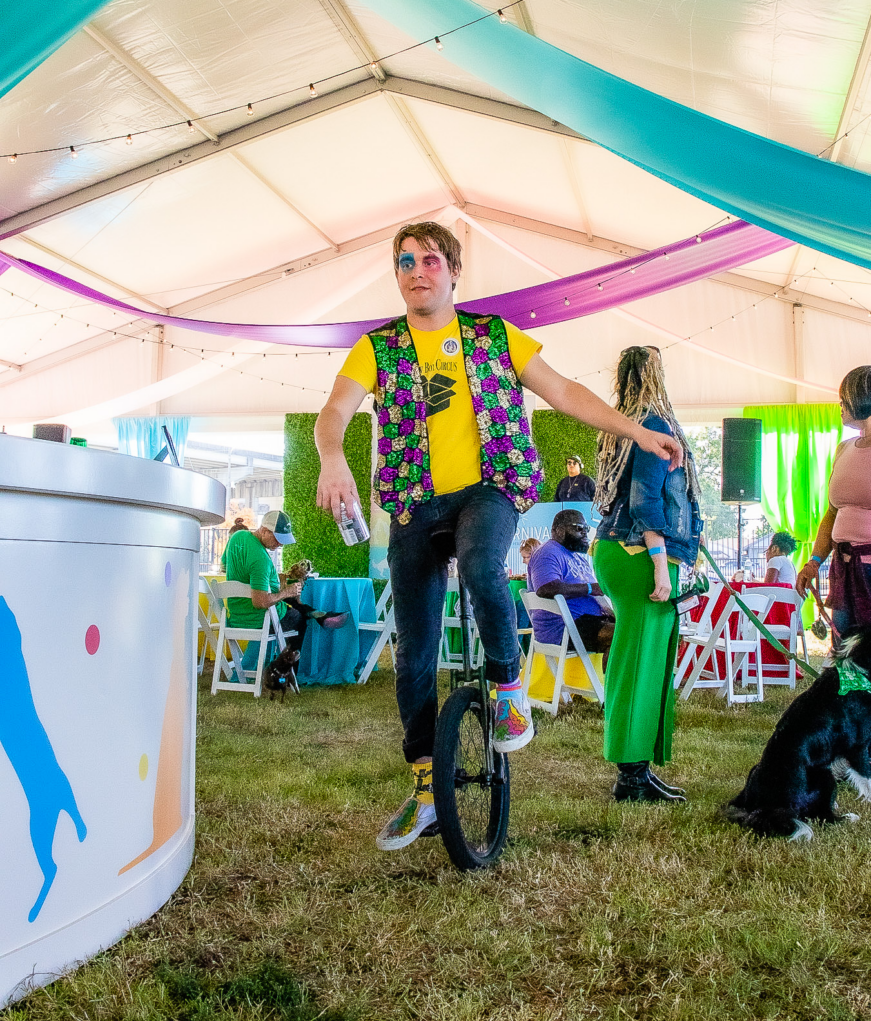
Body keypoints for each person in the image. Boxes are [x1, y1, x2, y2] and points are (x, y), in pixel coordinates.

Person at [314, 222, 682, 851]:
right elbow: (335, 413)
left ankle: (508, 684)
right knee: (415, 650)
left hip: (490, 487)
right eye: (404, 262)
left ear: (453, 271)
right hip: (412, 501)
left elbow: (563, 391)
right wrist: (331, 457)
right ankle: (428, 787)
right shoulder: (377, 348)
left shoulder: (493, 337)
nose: (416, 270)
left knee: (486, 567)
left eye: (429, 260)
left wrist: (637, 432)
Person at [592, 346, 701, 804]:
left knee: (644, 659)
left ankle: (637, 769)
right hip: (640, 552)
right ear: (654, 375)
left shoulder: (621, 426)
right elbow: (644, 501)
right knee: (639, 662)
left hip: (621, 549)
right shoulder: (652, 426)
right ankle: (630, 777)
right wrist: (660, 562)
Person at [796, 366, 871, 640]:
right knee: (843, 651)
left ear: (861, 397)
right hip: (844, 567)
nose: (840, 406)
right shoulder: (844, 448)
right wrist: (814, 561)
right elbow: (832, 512)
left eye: (844, 398)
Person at [221, 510, 347, 666]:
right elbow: (259, 602)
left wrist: (271, 580)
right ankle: (285, 672)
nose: (280, 544)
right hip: (260, 619)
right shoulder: (261, 560)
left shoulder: (237, 537)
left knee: (290, 601)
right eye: (278, 539)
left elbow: (225, 565)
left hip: (236, 614)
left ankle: (322, 616)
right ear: (264, 530)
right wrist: (285, 591)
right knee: (297, 616)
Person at [527, 509, 615, 663]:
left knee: (632, 632)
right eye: (578, 528)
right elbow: (545, 588)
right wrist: (589, 588)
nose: (585, 533)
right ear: (559, 530)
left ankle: (608, 686)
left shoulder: (577, 556)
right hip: (564, 627)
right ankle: (612, 687)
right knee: (624, 636)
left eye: (586, 529)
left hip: (586, 622)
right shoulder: (548, 553)